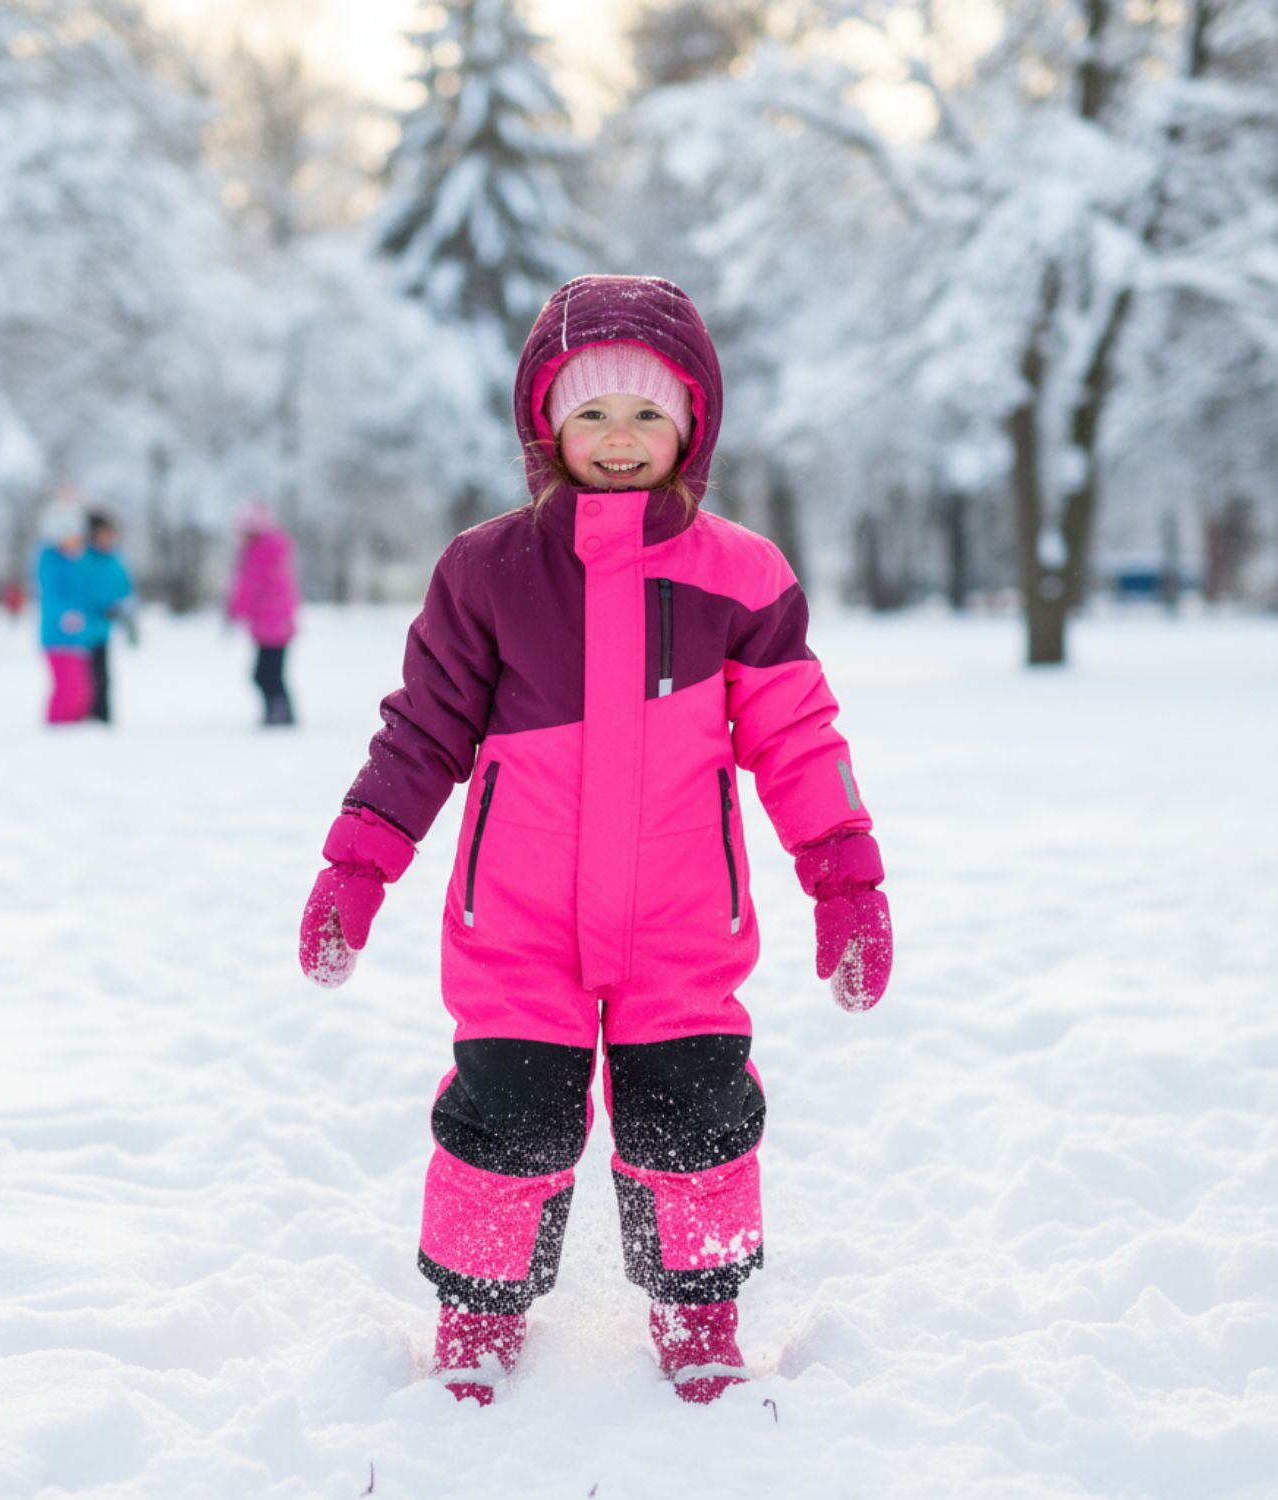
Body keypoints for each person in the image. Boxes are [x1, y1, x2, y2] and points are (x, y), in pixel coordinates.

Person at [297, 276, 893, 1406]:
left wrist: (844, 876)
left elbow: (800, 737)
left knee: (696, 1117)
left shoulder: (743, 577)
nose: (620, 443)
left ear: (692, 427)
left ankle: (698, 1309)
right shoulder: (487, 574)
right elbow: (421, 729)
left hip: (682, 920)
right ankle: (477, 1317)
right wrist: (358, 861)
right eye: (592, 416)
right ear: (546, 425)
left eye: (647, 417)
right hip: (517, 920)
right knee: (504, 1121)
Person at [226, 502, 299, 726]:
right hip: (271, 625)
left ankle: (279, 712)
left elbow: (251, 588)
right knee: (269, 674)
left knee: (265, 674)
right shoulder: (263, 554)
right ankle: (278, 711)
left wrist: (236, 610)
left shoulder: (260, 556)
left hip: (273, 626)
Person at [36, 499, 92, 725]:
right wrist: (65, 615)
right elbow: (52, 596)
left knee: (81, 689)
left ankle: (75, 724)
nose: (76, 544)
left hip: (77, 637)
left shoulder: (75, 562)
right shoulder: (50, 562)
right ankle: (58, 724)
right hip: (57, 637)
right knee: (67, 687)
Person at [80, 510, 136, 724]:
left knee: (102, 676)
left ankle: (102, 716)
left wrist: (124, 615)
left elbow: (125, 588)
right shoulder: (83, 559)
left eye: (110, 534)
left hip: (103, 628)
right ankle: (87, 714)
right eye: (103, 534)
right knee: (85, 677)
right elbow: (79, 591)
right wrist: (96, 607)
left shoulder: (115, 560)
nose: (108, 538)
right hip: (82, 629)